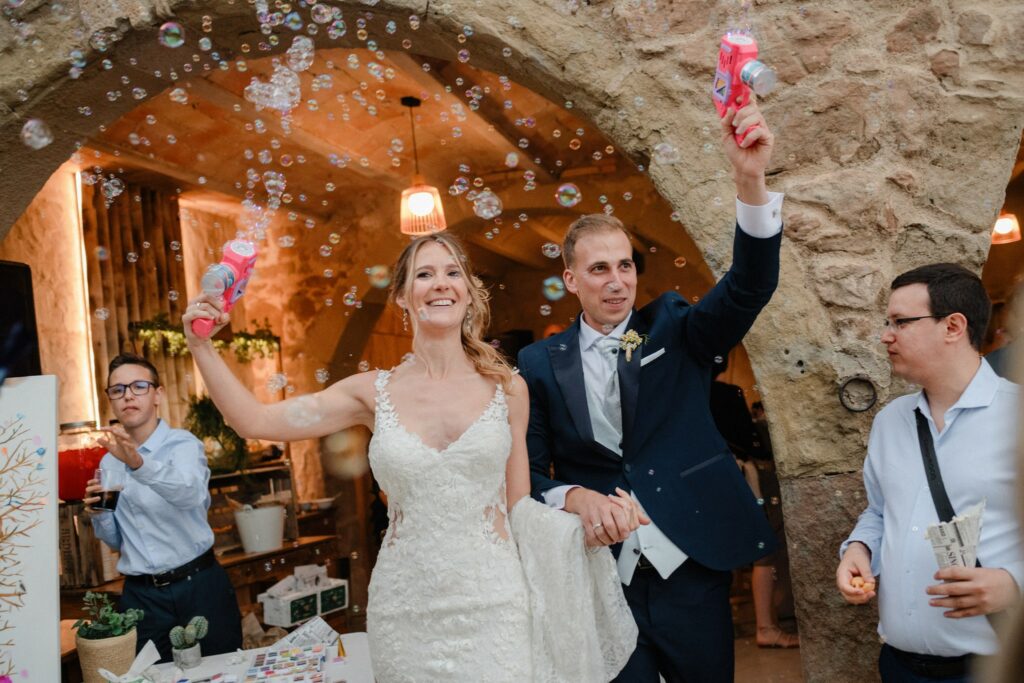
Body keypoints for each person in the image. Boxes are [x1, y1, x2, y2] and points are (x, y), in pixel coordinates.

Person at [182, 232, 643, 682]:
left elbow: (519, 508)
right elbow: (256, 422)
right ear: (403, 296)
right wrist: (201, 346)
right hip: (405, 608)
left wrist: (584, 525)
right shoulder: (370, 393)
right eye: (424, 274)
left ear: (468, 292)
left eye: (452, 272)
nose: (440, 282)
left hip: (495, 604)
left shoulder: (509, 390)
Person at [517, 99, 782, 682]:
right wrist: (573, 496)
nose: (617, 282)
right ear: (571, 281)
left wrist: (750, 180)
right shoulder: (537, 363)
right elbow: (530, 474)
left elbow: (749, 286)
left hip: (689, 562)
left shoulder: (673, 328)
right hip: (601, 574)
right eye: (599, 270)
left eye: (626, 266)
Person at [836, 263, 1023, 682]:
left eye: (901, 322)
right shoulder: (890, 421)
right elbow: (880, 512)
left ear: (953, 326)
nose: (886, 335)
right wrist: (858, 550)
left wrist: (1014, 586)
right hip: (899, 667)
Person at [85, 353, 242, 662]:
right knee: (149, 676)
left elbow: (190, 496)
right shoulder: (107, 461)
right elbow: (118, 541)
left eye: (138, 386)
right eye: (117, 390)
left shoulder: (183, 445)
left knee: (223, 670)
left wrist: (139, 463)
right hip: (142, 596)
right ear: (111, 400)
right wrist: (98, 515)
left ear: (157, 394)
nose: (127, 395)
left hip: (199, 584)